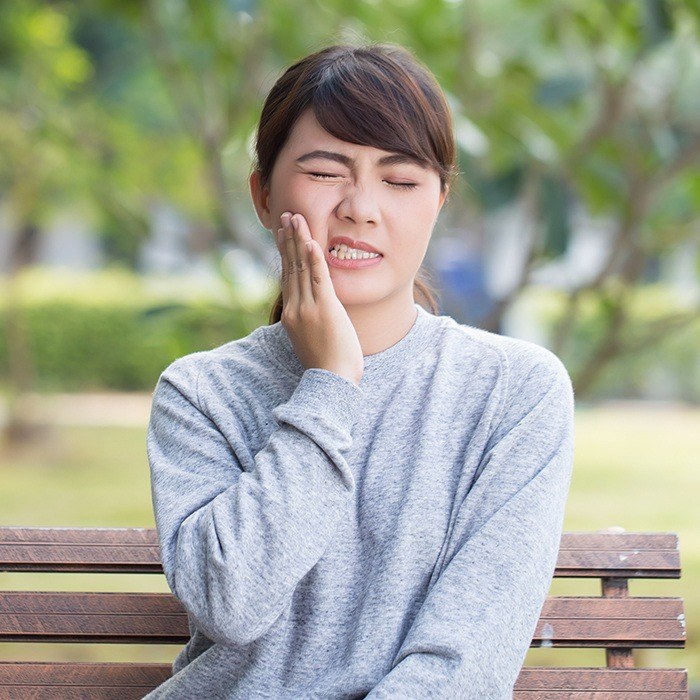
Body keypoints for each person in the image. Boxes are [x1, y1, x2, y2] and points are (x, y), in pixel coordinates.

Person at [144, 42, 574, 699]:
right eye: (324, 172)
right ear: (263, 195)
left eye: (400, 181)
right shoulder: (201, 393)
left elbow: (464, 666)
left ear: (439, 202)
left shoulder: (516, 392)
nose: (361, 207)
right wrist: (329, 385)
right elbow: (231, 604)